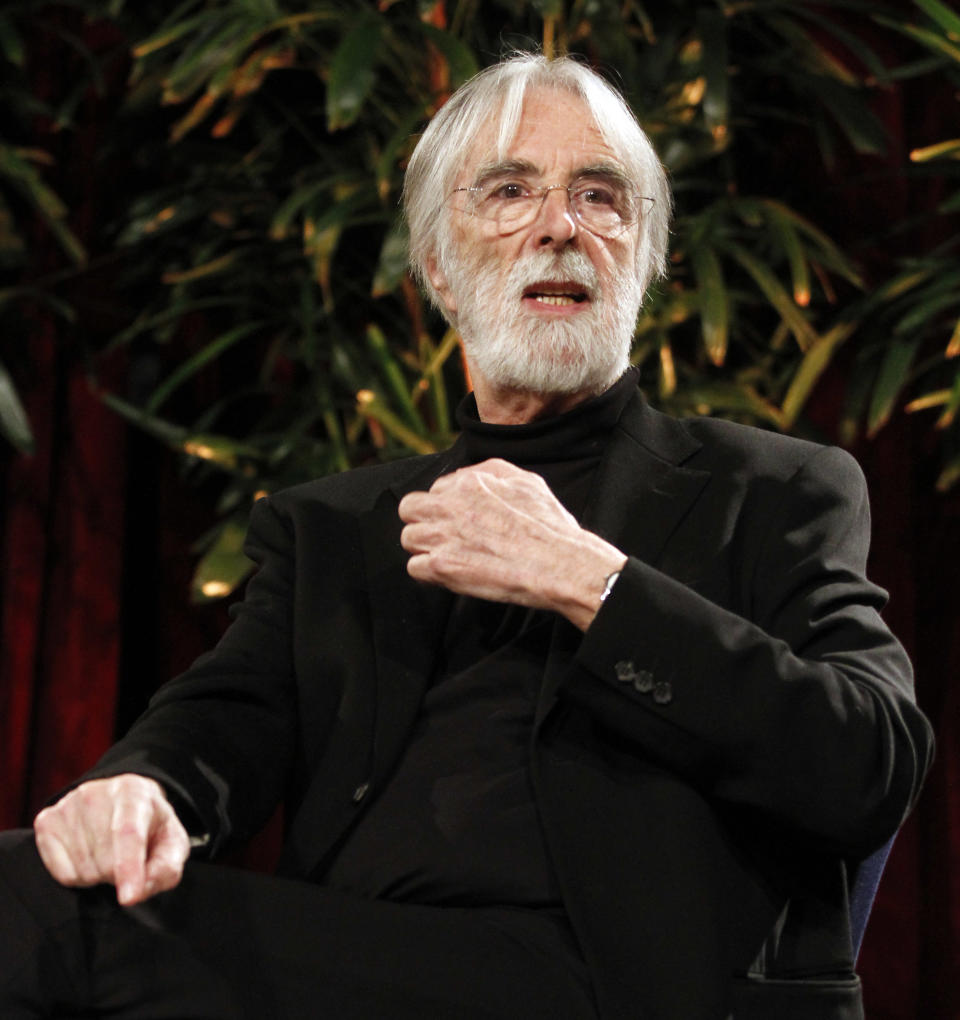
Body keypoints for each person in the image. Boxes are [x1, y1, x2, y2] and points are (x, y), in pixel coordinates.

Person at [0, 53, 933, 1020]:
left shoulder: (771, 490)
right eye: (509, 191)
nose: (559, 225)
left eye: (599, 196)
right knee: (32, 892)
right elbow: (219, 722)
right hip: (353, 967)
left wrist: (591, 582)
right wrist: (140, 791)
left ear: (644, 259)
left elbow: (868, 767)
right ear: (440, 268)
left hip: (625, 985)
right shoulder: (329, 529)